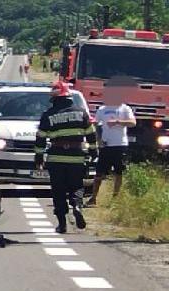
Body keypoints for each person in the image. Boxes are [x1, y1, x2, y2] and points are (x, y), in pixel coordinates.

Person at [34, 81, 97, 233]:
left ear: (55, 98)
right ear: (68, 97)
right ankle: (76, 206)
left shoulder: (48, 115)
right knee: (76, 186)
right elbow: (91, 134)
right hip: (77, 158)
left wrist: (39, 157)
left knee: (58, 191)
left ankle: (62, 224)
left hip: (56, 159)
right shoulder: (82, 113)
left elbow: (41, 138)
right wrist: (93, 152)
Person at [89, 86, 136, 205]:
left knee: (118, 172)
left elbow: (132, 123)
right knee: (99, 173)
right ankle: (93, 198)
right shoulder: (102, 109)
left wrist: (117, 122)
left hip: (120, 144)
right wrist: (98, 139)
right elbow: (96, 124)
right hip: (106, 144)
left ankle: (115, 199)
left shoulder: (125, 109)